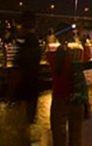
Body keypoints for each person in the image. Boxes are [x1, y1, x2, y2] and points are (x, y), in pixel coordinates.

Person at [5, 11, 42, 146]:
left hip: (23, 95)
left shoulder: (27, 45)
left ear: (24, 25)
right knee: (25, 132)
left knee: (19, 134)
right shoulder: (34, 43)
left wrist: (11, 95)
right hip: (31, 94)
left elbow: (19, 73)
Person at [47, 24, 87, 146]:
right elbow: (87, 58)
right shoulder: (78, 50)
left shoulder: (52, 53)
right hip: (76, 98)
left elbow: (50, 61)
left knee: (58, 137)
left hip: (59, 97)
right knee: (76, 138)